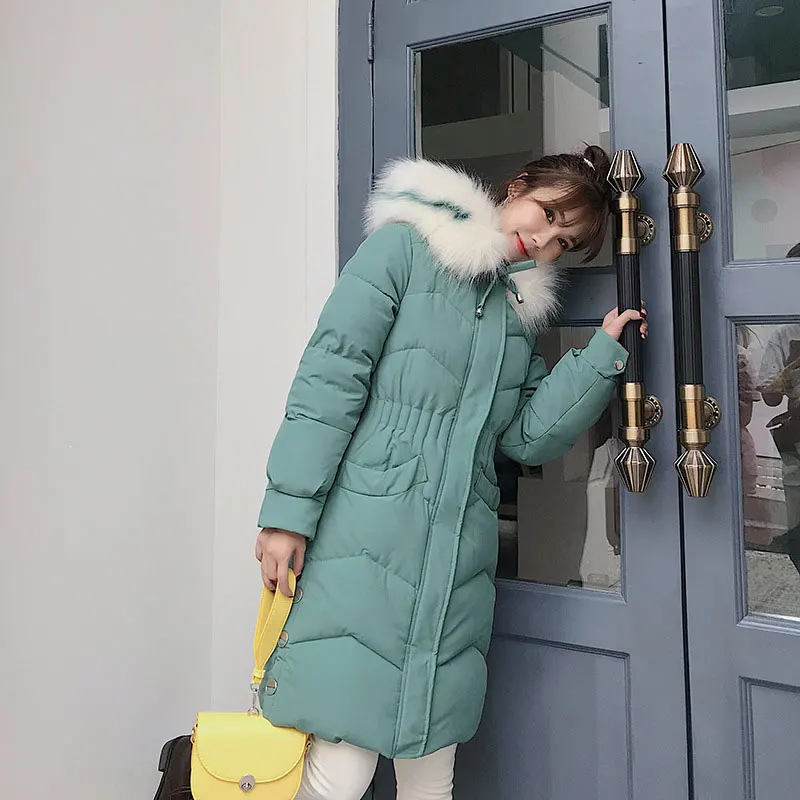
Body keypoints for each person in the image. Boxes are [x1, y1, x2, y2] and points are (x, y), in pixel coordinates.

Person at [254, 147, 647, 800]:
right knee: (341, 772)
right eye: (548, 215)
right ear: (516, 188)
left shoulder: (514, 313)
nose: (545, 241)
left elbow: (525, 435)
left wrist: (597, 357)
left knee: (432, 774)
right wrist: (287, 515)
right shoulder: (405, 249)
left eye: (564, 243)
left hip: (456, 560)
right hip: (364, 541)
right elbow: (331, 377)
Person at [757, 243, 800, 572]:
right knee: (797, 530)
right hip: (797, 444)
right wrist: (787, 376)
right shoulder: (785, 334)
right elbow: (769, 397)